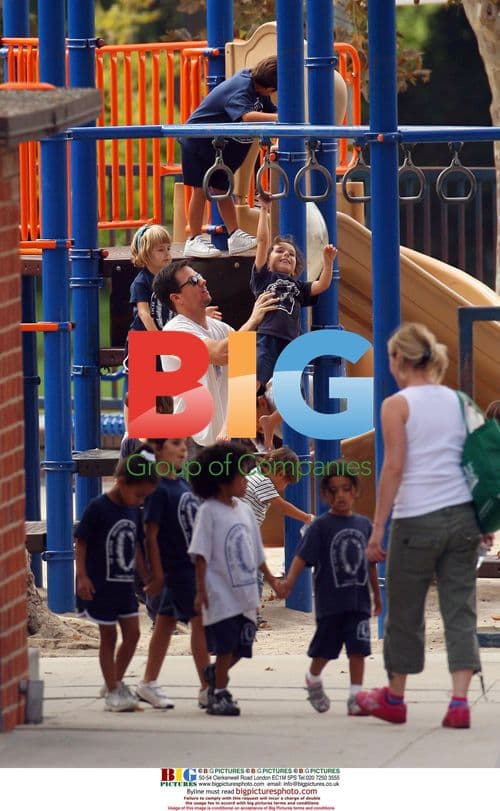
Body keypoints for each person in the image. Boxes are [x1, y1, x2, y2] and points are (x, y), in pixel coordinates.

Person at [357, 322, 486, 729]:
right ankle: (459, 703)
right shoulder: (460, 401)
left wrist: (378, 527)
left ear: (399, 358)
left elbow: (393, 467)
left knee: (405, 610)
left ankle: (395, 697)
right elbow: (477, 461)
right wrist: (484, 519)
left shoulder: (397, 405)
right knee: (460, 608)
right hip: (463, 517)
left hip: (416, 519)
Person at [188, 441, 284, 716]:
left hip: (245, 593)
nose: (246, 480)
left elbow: (257, 551)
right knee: (226, 644)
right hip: (220, 593)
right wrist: (201, 590)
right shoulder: (208, 512)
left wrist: (272, 580)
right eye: (241, 475)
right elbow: (200, 554)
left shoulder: (244, 509)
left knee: (243, 645)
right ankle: (219, 692)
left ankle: (213, 674)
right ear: (221, 481)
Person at [282, 468, 381, 716]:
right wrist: (289, 583)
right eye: (334, 491)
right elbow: (301, 557)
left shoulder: (364, 525)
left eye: (346, 489)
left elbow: (370, 563)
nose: (341, 496)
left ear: (355, 491)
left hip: (359, 603)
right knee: (325, 650)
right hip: (330, 603)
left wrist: (377, 597)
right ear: (325, 495)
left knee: (358, 650)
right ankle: (313, 677)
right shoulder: (320, 526)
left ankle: (356, 698)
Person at [152, 259, 278, 451]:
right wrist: (254, 319)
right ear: (177, 298)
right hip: (195, 441)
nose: (202, 281)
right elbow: (220, 353)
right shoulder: (173, 332)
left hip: (230, 438)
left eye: (200, 276)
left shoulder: (221, 328)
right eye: (193, 281)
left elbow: (248, 374)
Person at [74, 451, 159, 712]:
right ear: (120, 482)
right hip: (100, 585)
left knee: (133, 635)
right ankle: (112, 691)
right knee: (109, 637)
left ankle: (114, 681)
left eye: (144, 497)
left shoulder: (132, 510)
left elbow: (136, 545)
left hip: (124, 585)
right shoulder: (98, 508)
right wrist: (82, 576)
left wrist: (146, 575)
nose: (140, 501)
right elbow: (81, 542)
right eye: (139, 495)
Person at [252, 199, 337, 448]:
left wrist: (328, 262)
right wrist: (264, 211)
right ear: (268, 260)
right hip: (266, 338)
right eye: (280, 251)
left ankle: (270, 424)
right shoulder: (264, 279)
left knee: (294, 397)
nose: (286, 255)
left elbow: (322, 285)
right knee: (252, 382)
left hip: (290, 345)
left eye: (290, 254)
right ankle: (239, 429)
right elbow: (262, 242)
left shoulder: (298, 287)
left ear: (296, 267)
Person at [134, 437, 212, 710]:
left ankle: (148, 682)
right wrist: (156, 574)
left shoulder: (181, 484)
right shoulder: (158, 490)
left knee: (166, 622)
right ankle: (208, 688)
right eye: (176, 444)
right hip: (175, 569)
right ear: (158, 450)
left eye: (183, 444)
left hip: (188, 566)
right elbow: (150, 535)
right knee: (199, 621)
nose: (183, 448)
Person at [181, 56, 278, 258]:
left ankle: (234, 235)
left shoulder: (259, 91)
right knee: (200, 189)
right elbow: (247, 117)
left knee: (223, 189)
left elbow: (271, 111)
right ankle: (194, 239)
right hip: (198, 141)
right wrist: (280, 118)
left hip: (218, 148)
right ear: (268, 88)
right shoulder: (241, 87)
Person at [240, 446, 314, 627]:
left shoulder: (255, 473)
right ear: (280, 473)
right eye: (287, 482)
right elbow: (282, 506)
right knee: (255, 575)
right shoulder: (264, 482)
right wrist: (307, 518)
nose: (285, 487)